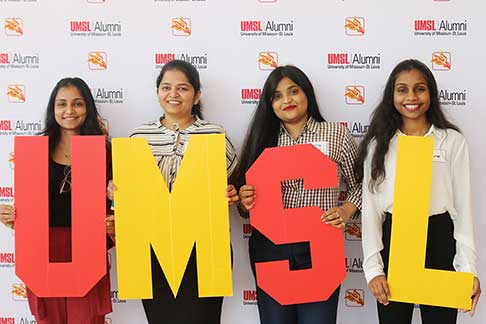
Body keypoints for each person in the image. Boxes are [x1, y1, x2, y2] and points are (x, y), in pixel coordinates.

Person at [107, 59, 238, 324]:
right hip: (152, 250)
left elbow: (227, 184)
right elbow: (131, 196)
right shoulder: (138, 137)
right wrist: (115, 194)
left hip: (204, 248)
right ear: (158, 93)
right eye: (166, 87)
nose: (173, 94)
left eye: (183, 88)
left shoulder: (215, 135)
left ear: (197, 94)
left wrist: (229, 193)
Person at [230, 65, 361, 324]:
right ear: (270, 104)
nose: (286, 100)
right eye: (277, 96)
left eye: (293, 91)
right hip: (270, 250)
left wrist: (346, 210)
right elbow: (245, 207)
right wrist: (245, 201)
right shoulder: (262, 138)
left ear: (307, 94)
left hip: (321, 248)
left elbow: (362, 185)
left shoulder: (337, 134)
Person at [355, 59, 481, 324]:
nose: (411, 97)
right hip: (396, 241)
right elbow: (371, 211)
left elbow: (463, 210)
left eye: (419, 89)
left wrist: (468, 269)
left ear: (431, 94)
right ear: (392, 96)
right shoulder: (379, 145)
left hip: (439, 239)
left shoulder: (452, 141)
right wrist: (374, 269)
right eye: (402, 89)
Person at [0, 77, 114, 324]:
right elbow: (29, 208)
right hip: (43, 248)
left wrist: (118, 202)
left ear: (88, 108)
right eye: (61, 104)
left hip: (88, 248)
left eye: (77, 104)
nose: (69, 111)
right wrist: (13, 219)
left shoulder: (106, 153)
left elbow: (119, 205)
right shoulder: (35, 151)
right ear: (53, 110)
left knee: (87, 319)